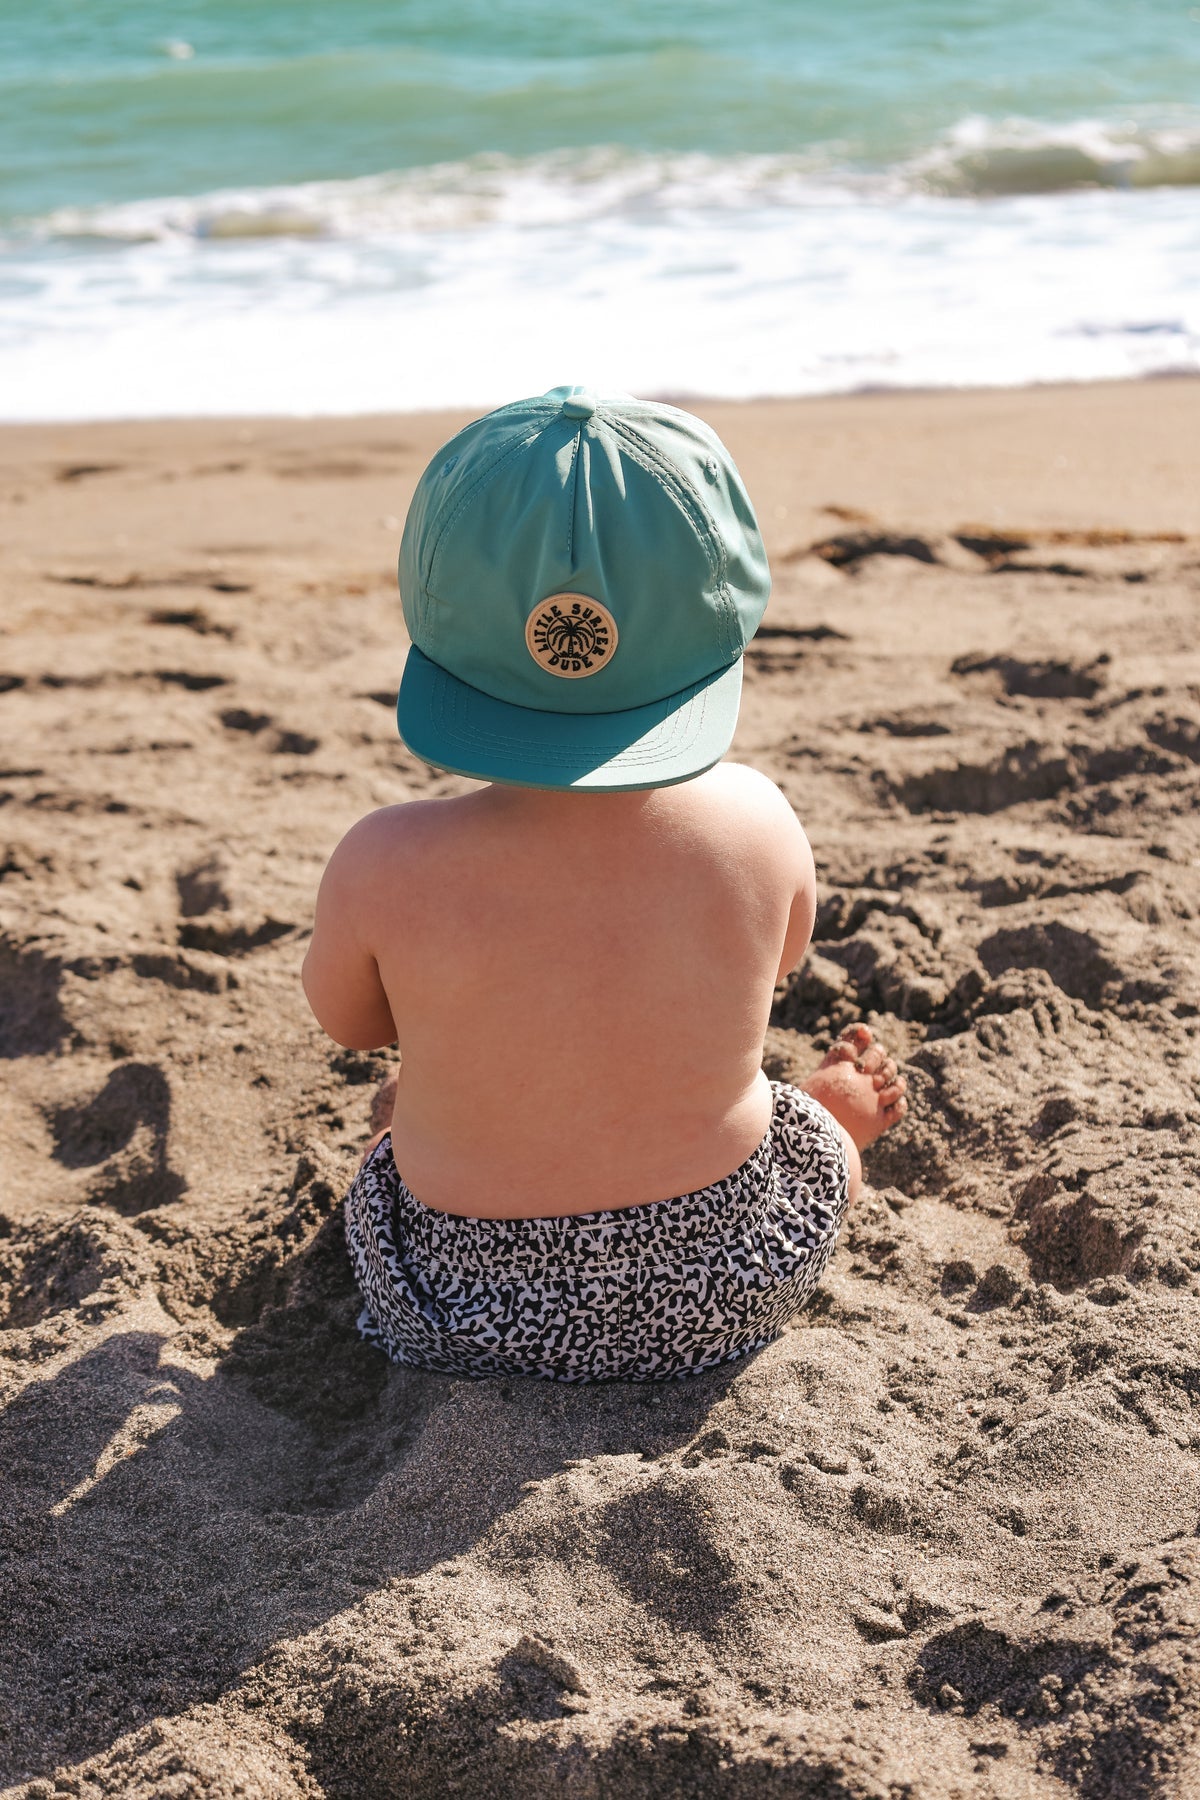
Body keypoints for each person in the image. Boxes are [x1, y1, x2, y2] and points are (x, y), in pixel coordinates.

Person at [302, 386, 907, 1382]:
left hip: (458, 1315)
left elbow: (352, 1025)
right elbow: (779, 962)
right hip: (728, 1282)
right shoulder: (756, 819)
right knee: (790, 1130)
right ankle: (839, 1124)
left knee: (395, 1137)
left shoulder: (384, 859)